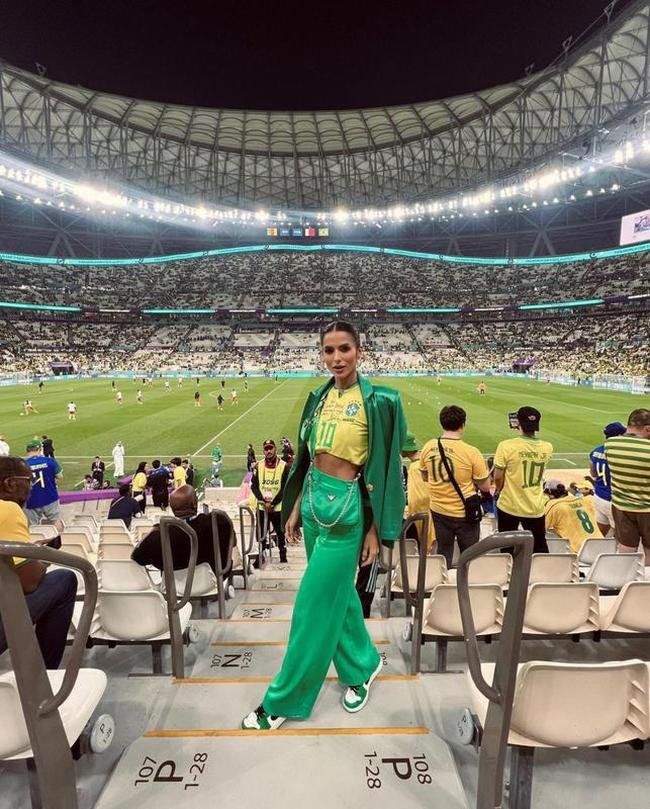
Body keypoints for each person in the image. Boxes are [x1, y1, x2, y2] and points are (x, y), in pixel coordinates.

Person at [242, 320, 407, 730]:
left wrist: (376, 530)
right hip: (314, 503)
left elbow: (388, 469)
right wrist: (295, 505)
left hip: (346, 512)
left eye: (344, 348)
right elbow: (309, 457)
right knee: (341, 599)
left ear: (359, 351)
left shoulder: (382, 400)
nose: (336, 357)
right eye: (329, 350)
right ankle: (363, 665)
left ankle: (284, 699)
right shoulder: (318, 397)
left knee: (312, 606)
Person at [0, 456, 77, 668]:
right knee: (64, 579)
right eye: (28, 480)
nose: (31, 487)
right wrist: (41, 557)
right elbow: (29, 582)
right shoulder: (8, 509)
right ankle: (43, 676)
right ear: (9, 483)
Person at [419, 406, 491, 568]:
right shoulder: (471, 452)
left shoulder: (428, 447)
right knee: (469, 555)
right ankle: (466, 581)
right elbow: (486, 487)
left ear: (442, 423)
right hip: (465, 512)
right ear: (462, 425)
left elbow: (425, 477)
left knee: (443, 552)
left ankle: (443, 580)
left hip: (438, 510)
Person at [132, 485, 233, 574]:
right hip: (213, 579)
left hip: (175, 585)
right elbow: (232, 543)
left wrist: (154, 530)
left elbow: (136, 556)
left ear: (172, 508)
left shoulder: (160, 535)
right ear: (195, 503)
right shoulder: (218, 521)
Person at [493, 406, 554, 553]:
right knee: (539, 547)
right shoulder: (547, 447)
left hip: (509, 504)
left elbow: (498, 476)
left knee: (506, 548)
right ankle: (540, 568)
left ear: (518, 423)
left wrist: (499, 489)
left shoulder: (506, 446)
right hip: (535, 506)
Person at [605, 408, 650, 564]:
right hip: (647, 509)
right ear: (647, 429)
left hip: (621, 507)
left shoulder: (610, 444)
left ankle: (626, 578)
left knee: (626, 551)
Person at [251, 439, 290, 565]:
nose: (268, 451)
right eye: (266, 449)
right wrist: (263, 501)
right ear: (263, 451)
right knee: (260, 533)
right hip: (262, 507)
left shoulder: (283, 466)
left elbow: (285, 488)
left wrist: (273, 503)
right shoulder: (258, 465)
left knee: (280, 532)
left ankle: (283, 555)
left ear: (275, 449)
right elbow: (254, 486)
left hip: (277, 507)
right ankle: (261, 555)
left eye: (270, 448)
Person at [589, 422, 627, 536]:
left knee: (601, 532)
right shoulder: (621, 453)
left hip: (599, 497)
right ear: (619, 435)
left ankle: (598, 547)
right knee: (621, 537)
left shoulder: (596, 451)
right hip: (614, 500)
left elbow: (593, 473)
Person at [543, 479, 602, 552]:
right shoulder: (581, 500)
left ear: (550, 493)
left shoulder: (553, 505)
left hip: (581, 551)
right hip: (602, 545)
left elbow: (541, 528)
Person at [24, 439, 62, 525]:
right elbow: (60, 476)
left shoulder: (22, 464)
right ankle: (61, 534)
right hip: (50, 496)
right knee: (56, 521)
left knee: (32, 527)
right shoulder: (50, 461)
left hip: (31, 500)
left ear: (27, 451)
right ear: (39, 449)